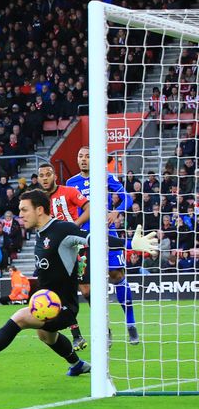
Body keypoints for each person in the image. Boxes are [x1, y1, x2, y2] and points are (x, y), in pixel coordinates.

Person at [0, 190, 158, 379]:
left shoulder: (62, 230)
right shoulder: (40, 234)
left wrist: (130, 244)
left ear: (39, 210)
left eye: (24, 210)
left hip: (64, 306)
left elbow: (94, 239)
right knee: (46, 337)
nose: (20, 215)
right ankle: (77, 365)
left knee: (19, 318)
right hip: (47, 303)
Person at [66, 146, 139, 349]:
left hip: (107, 235)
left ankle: (131, 323)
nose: (84, 159)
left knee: (115, 275)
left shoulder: (105, 176)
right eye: (80, 156)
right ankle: (104, 330)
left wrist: (116, 212)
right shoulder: (71, 183)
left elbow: (128, 197)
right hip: (81, 238)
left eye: (88, 156)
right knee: (86, 287)